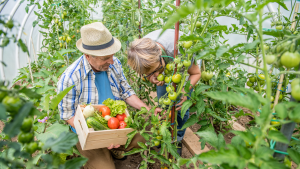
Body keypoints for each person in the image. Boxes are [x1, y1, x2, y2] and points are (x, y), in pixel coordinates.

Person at [57, 22, 160, 169]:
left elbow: (126, 92)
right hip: (90, 133)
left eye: (112, 56)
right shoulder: (70, 78)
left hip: (117, 123)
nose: (111, 61)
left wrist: (148, 109)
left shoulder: (114, 63)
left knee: (149, 131)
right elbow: (67, 115)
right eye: (105, 58)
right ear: (88, 56)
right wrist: (97, 136)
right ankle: (102, 152)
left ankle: (116, 148)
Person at [127, 29, 201, 155]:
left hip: (184, 72)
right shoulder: (141, 53)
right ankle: (165, 135)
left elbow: (196, 73)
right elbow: (146, 73)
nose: (156, 75)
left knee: (181, 109)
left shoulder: (180, 50)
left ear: (160, 54)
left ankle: (177, 138)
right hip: (166, 67)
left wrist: (184, 91)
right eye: (150, 72)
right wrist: (151, 77)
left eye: (156, 70)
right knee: (164, 106)